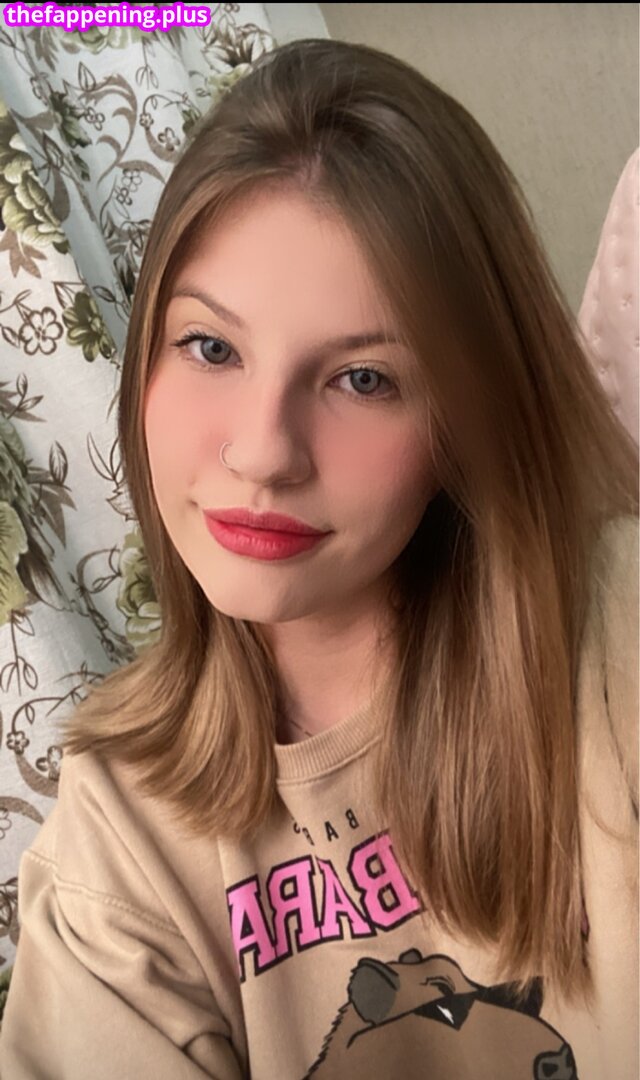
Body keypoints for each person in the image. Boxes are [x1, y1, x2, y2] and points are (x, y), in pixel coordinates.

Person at [0, 38, 637, 1080]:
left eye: (363, 379)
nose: (263, 452)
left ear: (466, 418)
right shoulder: (119, 839)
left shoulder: (616, 641)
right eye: (211, 347)